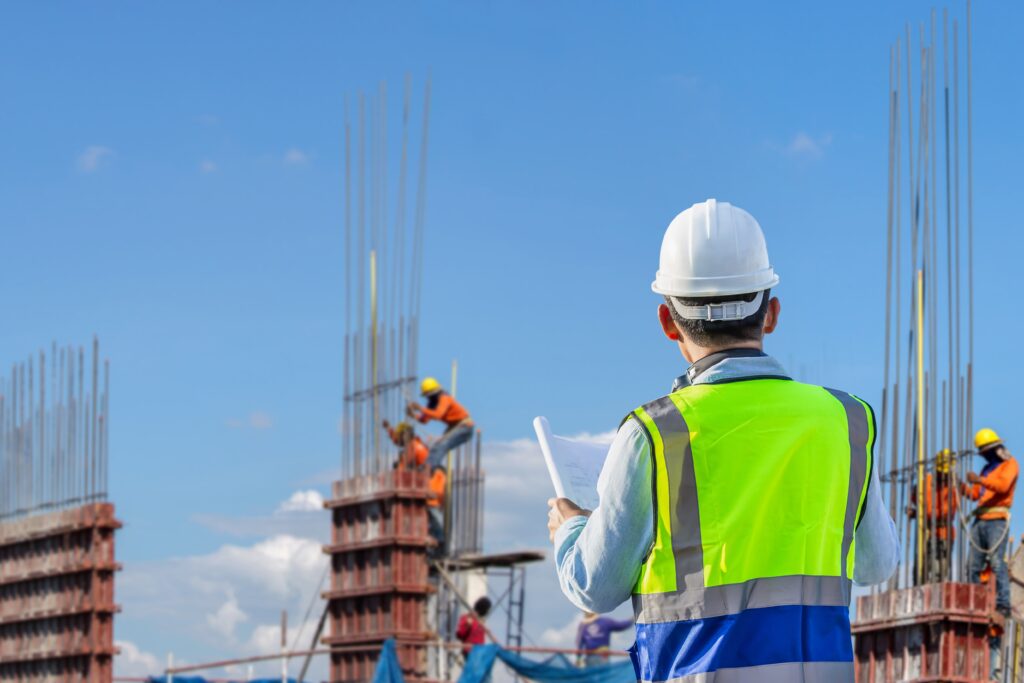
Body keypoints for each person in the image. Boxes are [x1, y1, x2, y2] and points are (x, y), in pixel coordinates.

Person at [545, 199, 900, 683]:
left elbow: (595, 587)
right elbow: (878, 564)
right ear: (771, 313)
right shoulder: (847, 420)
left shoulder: (655, 433)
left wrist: (570, 530)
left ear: (668, 322)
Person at [963, 428, 1018, 617]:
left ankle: (1003, 603)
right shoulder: (987, 469)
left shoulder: (1010, 465)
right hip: (980, 520)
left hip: (997, 521)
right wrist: (963, 487)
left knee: (996, 563)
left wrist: (980, 480)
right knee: (972, 566)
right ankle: (974, 602)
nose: (984, 457)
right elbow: (976, 494)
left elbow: (1002, 486)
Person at [906, 449, 959, 583]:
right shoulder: (927, 481)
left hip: (943, 533)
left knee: (939, 572)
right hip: (926, 532)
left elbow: (946, 512)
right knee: (920, 570)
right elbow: (916, 499)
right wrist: (914, 511)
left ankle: (936, 598)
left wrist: (921, 513)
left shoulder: (953, 486)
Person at [407, 378, 474, 467]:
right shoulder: (432, 404)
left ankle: (430, 469)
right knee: (436, 446)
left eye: (429, 395)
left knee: (441, 445)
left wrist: (420, 408)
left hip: (465, 426)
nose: (428, 397)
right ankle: (427, 467)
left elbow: (438, 414)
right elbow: (424, 420)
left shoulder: (444, 398)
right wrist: (413, 415)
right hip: (456, 427)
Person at [427, 465, 447, 554]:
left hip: (434, 505)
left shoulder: (440, 476)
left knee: (437, 527)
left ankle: (439, 546)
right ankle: (435, 547)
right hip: (428, 505)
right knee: (433, 527)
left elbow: (441, 492)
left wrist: (442, 504)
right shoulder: (437, 476)